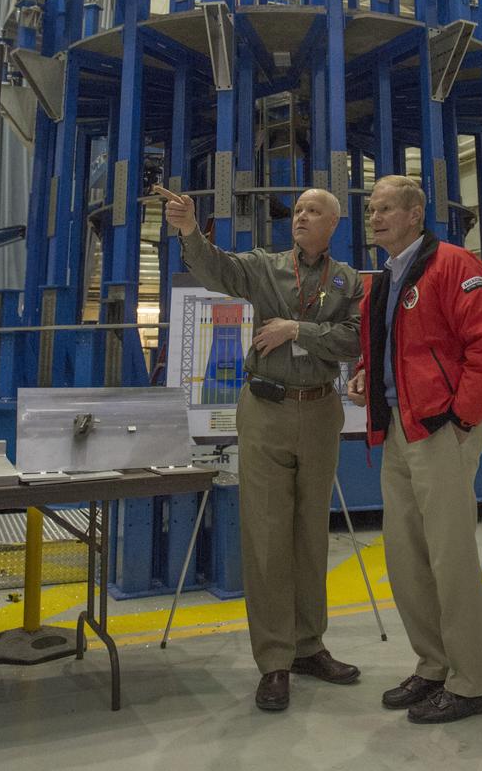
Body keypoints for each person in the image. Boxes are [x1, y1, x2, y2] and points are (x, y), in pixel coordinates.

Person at [158, 185, 363, 713]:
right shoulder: (264, 267)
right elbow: (217, 269)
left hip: (320, 411)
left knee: (310, 535)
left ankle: (309, 645)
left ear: (333, 225)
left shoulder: (348, 280)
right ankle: (274, 661)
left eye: (312, 211)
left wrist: (298, 329)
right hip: (266, 410)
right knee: (267, 537)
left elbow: (354, 339)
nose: (300, 217)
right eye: (296, 210)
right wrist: (187, 230)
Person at [347, 174, 482, 725]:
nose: (374, 218)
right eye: (371, 210)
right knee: (405, 555)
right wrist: (369, 373)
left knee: (449, 557)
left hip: (441, 430)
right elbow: (401, 349)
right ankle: (433, 665)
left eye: (386, 208)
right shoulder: (385, 279)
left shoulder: (454, 265)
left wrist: (463, 418)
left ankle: (472, 682)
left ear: (416, 214)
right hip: (397, 429)